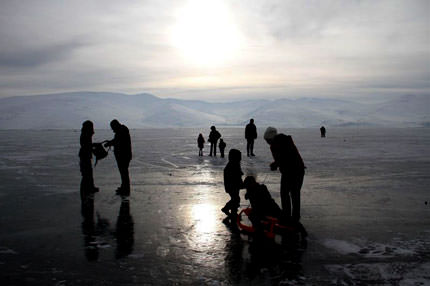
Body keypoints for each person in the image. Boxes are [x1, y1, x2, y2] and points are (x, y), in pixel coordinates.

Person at [264, 127, 305, 223]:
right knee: (292, 194)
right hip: (295, 170)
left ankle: (289, 217)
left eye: (267, 140)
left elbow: (286, 157)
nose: (267, 142)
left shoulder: (278, 143)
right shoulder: (283, 141)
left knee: (288, 193)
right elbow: (283, 157)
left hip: (293, 172)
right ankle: (292, 216)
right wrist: (276, 163)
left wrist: (275, 164)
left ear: (271, 138)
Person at [104, 119, 132, 195]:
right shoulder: (121, 130)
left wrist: (109, 143)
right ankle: (124, 187)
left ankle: (125, 188)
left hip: (123, 156)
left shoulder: (121, 131)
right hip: (123, 155)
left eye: (112, 127)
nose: (112, 129)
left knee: (124, 172)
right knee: (123, 172)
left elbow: (117, 141)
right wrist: (110, 142)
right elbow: (116, 140)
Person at [221, 149, 244, 218]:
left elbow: (238, 174)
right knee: (235, 199)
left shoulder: (235, 164)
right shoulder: (232, 165)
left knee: (235, 198)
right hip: (232, 186)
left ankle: (233, 211)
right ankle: (227, 208)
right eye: (239, 157)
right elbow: (234, 176)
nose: (240, 159)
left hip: (235, 186)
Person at [79, 120, 98, 197]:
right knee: (86, 174)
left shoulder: (85, 134)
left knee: (88, 173)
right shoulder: (85, 135)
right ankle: (86, 190)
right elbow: (86, 146)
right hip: (84, 156)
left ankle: (90, 188)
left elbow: (88, 145)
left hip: (85, 156)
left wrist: (93, 145)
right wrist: (93, 148)